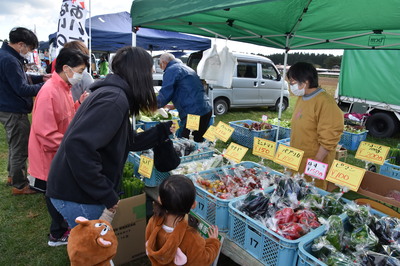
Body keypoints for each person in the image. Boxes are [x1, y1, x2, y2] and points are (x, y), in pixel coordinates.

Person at [46, 46, 175, 229]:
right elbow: (78, 147)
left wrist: (160, 131)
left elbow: (127, 141)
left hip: (77, 189)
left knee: (93, 249)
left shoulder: (115, 95)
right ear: (138, 73)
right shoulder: (114, 100)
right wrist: (105, 192)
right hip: (77, 194)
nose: (150, 77)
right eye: (149, 72)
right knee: (94, 252)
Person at [28, 47, 89, 246]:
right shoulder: (49, 92)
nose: (81, 76)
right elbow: (45, 133)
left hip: (59, 150)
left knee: (58, 190)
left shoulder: (63, 87)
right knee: (53, 193)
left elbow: (66, 114)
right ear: (66, 68)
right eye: (80, 70)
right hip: (49, 154)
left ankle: (62, 227)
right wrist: (70, 146)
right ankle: (57, 233)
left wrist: (79, 102)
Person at [0, 27, 50, 195]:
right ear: (21, 44)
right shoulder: (9, 60)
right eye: (30, 48)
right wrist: (46, 86)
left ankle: (12, 176)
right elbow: (22, 88)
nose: (29, 52)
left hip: (9, 106)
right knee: (20, 147)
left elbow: (22, 77)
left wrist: (41, 78)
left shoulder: (9, 56)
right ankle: (20, 185)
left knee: (15, 144)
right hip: (13, 109)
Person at [287, 62, 344, 190]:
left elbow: (330, 135)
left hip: (314, 159)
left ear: (305, 81)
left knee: (311, 192)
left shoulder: (325, 102)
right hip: (298, 155)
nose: (291, 86)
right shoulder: (302, 98)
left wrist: (316, 162)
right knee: (296, 190)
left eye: (293, 82)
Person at [146, 175, 221, 265]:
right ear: (194, 205)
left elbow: (150, 243)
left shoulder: (153, 221)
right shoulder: (191, 236)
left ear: (160, 200)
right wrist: (213, 242)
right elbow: (201, 261)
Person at [157, 52, 212, 142]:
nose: (160, 67)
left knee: (186, 143)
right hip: (205, 109)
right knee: (196, 141)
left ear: (164, 62)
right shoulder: (185, 68)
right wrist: (173, 106)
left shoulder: (171, 70)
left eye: (160, 64)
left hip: (194, 113)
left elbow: (165, 93)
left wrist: (153, 105)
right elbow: (186, 90)